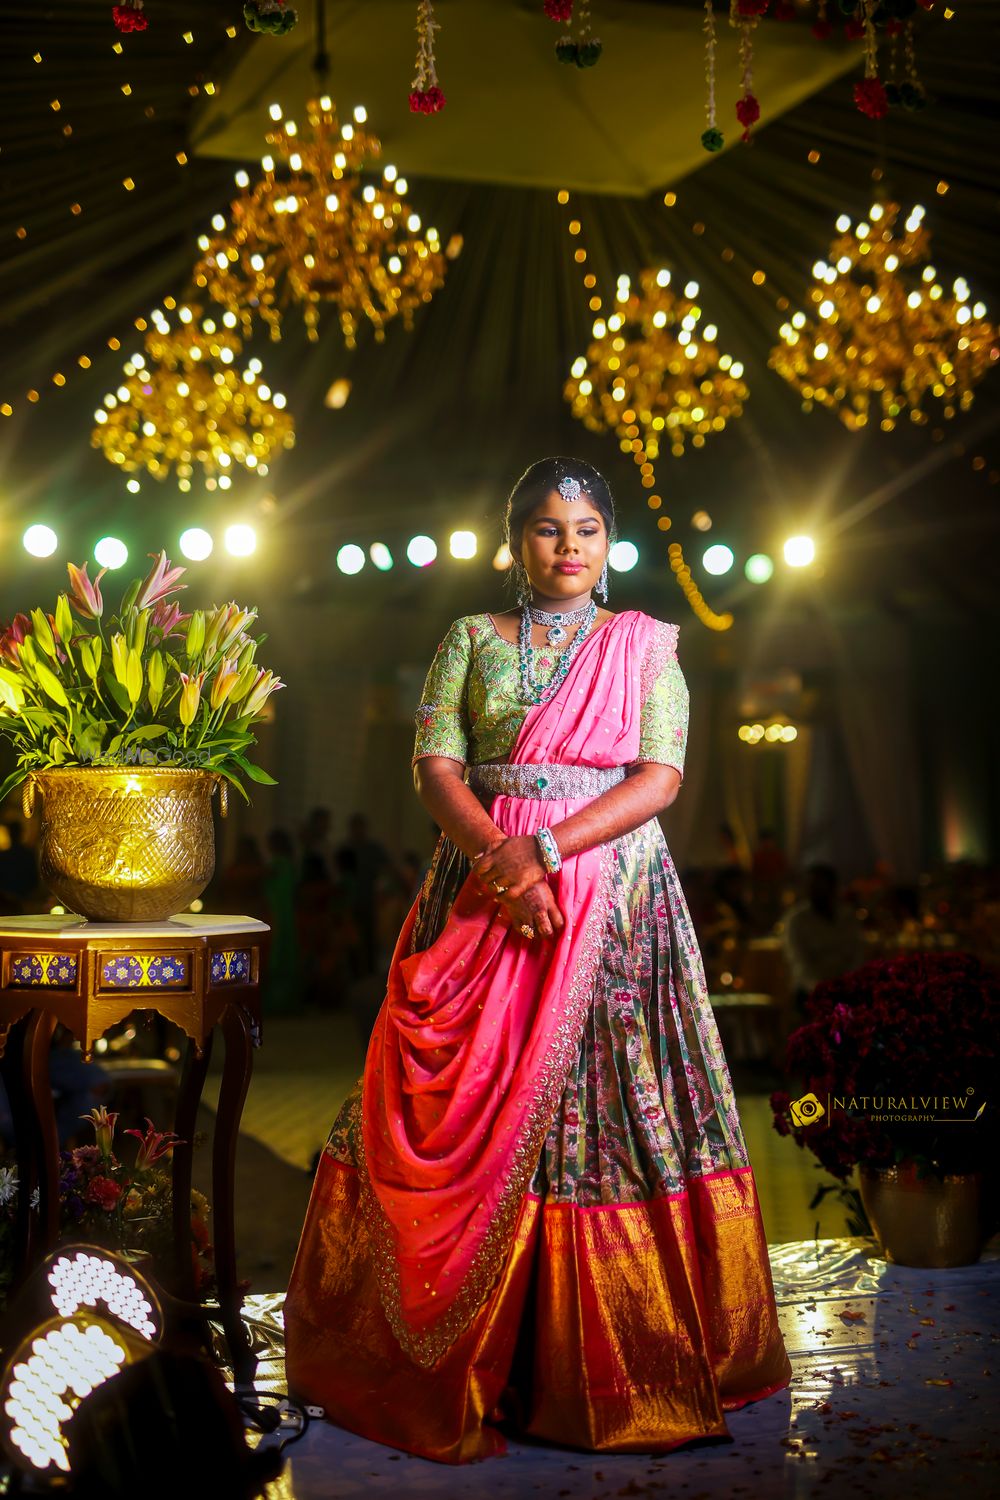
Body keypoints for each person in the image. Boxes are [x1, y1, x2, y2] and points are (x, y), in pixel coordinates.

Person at [284, 457, 791, 1463]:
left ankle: (603, 1362)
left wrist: (545, 851)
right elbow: (434, 764)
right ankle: (464, 1353)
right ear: (515, 542)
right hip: (477, 887)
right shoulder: (468, 639)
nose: (569, 545)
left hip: (610, 889)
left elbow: (661, 775)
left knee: (603, 1102)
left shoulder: (645, 645)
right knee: (446, 1093)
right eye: (550, 528)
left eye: (588, 528)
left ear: (609, 544)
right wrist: (497, 861)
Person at [783, 863, 866, 1013]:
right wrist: (820, 988)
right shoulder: (796, 921)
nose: (816, 890)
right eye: (811, 885)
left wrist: (848, 983)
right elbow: (799, 962)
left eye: (821, 885)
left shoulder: (848, 917)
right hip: (811, 991)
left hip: (847, 988)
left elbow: (858, 954)